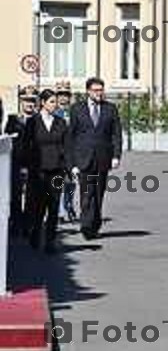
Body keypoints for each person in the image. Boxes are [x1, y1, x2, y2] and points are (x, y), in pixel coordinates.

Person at [67, 77, 122, 240]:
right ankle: (86, 225)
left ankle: (95, 224)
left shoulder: (110, 109)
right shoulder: (77, 109)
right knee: (86, 193)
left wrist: (116, 156)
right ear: (88, 91)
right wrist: (72, 163)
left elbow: (116, 134)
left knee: (98, 194)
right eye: (96, 90)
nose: (99, 93)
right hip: (84, 159)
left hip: (103, 159)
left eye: (101, 90)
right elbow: (71, 136)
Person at [21, 89, 68, 253]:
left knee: (54, 207)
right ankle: (35, 233)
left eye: (55, 102)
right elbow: (26, 145)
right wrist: (25, 167)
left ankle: (50, 242)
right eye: (51, 102)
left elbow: (66, 146)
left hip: (57, 171)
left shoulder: (61, 122)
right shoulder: (33, 122)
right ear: (43, 102)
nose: (55, 105)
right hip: (38, 171)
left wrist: (67, 168)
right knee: (39, 206)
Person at [4, 86, 38, 235]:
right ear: (21, 102)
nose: (29, 104)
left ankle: (28, 225)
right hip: (16, 163)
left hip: (35, 164)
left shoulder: (39, 120)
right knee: (15, 196)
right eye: (26, 101)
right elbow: (8, 140)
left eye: (32, 101)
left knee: (32, 196)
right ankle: (16, 223)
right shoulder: (13, 119)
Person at [54, 80, 77, 223]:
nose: (63, 97)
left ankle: (68, 206)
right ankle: (60, 212)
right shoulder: (53, 112)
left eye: (66, 94)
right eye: (60, 94)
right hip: (57, 154)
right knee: (59, 184)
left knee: (71, 183)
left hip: (72, 154)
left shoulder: (74, 112)